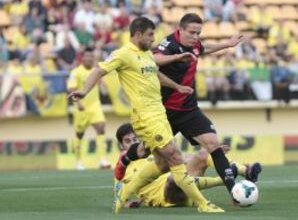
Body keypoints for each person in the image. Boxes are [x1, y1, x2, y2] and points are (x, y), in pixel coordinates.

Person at [68, 17, 223, 213]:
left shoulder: (147, 54)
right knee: (175, 156)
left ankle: (123, 193)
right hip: (146, 116)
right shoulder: (122, 54)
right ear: (138, 34)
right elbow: (99, 70)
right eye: (150, 35)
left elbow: (156, 74)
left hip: (159, 113)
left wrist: (177, 86)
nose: (153, 39)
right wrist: (84, 91)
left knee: (162, 163)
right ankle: (203, 204)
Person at [154, 13, 262, 203]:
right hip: (164, 112)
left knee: (213, 144)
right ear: (180, 29)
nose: (195, 36)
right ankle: (126, 182)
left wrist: (227, 44)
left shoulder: (195, 44)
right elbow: (153, 60)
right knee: (155, 159)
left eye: (198, 32)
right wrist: (178, 57)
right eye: (192, 32)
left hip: (189, 110)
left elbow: (203, 48)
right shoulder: (168, 44)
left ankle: (234, 193)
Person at [114, 123, 258, 209]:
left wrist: (213, 153)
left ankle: (245, 171)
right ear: (121, 145)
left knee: (203, 154)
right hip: (167, 197)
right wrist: (128, 204)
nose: (133, 143)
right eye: (128, 141)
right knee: (174, 178)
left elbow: (182, 159)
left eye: (135, 139)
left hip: (185, 188)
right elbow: (119, 196)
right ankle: (223, 180)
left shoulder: (153, 152)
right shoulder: (121, 168)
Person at [67, 47, 111, 170]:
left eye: (92, 56)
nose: (90, 59)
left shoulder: (96, 71)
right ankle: (78, 161)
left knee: (101, 127)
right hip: (81, 108)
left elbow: (103, 87)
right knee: (79, 134)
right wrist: (78, 103)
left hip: (95, 106)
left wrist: (103, 86)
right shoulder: (76, 72)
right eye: (87, 56)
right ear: (82, 58)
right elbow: (71, 88)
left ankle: (103, 160)